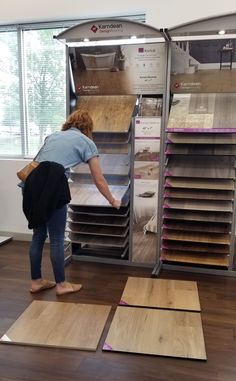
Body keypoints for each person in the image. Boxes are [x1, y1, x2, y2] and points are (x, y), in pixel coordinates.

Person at [22, 109, 121, 296]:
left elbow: (37, 164)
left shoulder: (53, 136)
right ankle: (61, 284)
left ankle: (36, 282)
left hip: (31, 186)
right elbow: (99, 180)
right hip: (53, 188)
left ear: (69, 123)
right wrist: (113, 200)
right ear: (88, 127)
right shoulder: (87, 142)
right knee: (57, 238)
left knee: (38, 235)